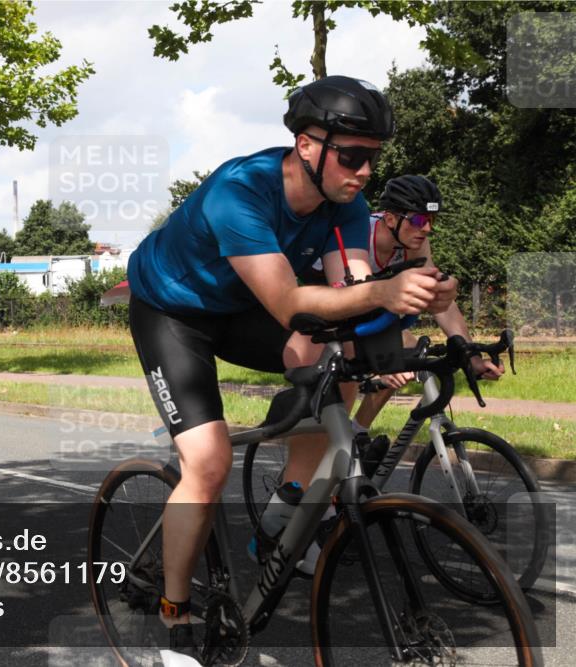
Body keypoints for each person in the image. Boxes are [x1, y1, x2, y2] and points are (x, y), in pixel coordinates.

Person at [125, 75, 458, 657]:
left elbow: (350, 292)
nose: (364, 172)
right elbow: (287, 303)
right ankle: (175, 615)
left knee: (333, 361)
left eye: (372, 158)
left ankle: (287, 506)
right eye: (351, 156)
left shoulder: (346, 206)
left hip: (240, 308)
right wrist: (383, 295)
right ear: (306, 145)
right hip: (172, 311)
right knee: (208, 463)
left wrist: (418, 307)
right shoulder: (240, 191)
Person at [348, 175, 503, 438]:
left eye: (432, 220)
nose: (427, 228)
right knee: (387, 355)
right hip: (336, 309)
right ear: (390, 219)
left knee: (410, 351)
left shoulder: (414, 243)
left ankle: (356, 434)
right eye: (419, 220)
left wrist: (471, 355)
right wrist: (378, 364)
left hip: (372, 313)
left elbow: (439, 301)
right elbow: (350, 305)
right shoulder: (361, 235)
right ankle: (334, 439)